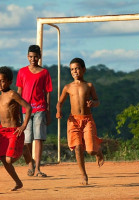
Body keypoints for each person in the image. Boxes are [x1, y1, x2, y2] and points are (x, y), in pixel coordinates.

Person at [56, 57, 104, 185]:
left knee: (90, 150)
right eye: (72, 69)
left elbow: (97, 101)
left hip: (87, 120)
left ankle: (98, 152)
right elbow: (59, 102)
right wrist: (58, 111)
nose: (74, 71)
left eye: (77, 68)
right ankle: (83, 175)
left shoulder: (89, 85)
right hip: (73, 120)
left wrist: (93, 103)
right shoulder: (67, 87)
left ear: (83, 69)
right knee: (77, 147)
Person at [0, 66, 32, 191]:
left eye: (2, 81)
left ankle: (24, 151)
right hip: (2, 131)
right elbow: (3, 115)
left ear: (10, 82)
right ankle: (18, 182)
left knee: (9, 159)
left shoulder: (13, 94)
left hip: (15, 130)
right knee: (3, 159)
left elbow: (28, 108)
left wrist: (24, 125)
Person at [16, 45, 53, 177]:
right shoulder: (22, 72)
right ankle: (30, 164)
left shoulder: (44, 73)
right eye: (30, 56)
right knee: (27, 140)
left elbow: (48, 92)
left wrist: (48, 111)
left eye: (35, 56)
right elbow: (19, 92)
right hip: (26, 110)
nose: (33, 59)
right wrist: (16, 110)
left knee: (38, 138)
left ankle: (37, 168)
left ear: (39, 57)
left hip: (40, 108)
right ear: (27, 57)